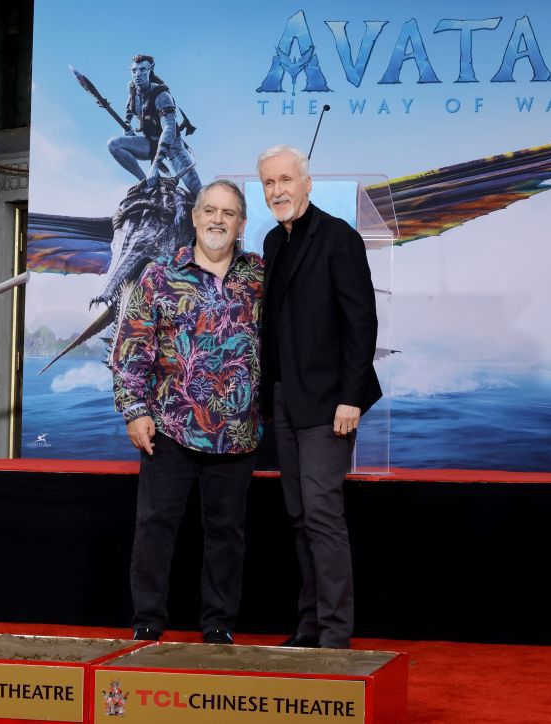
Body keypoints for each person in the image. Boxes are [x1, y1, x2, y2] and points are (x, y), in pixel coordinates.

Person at [110, 179, 262, 644]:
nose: (218, 219)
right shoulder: (158, 276)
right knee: (155, 527)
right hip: (170, 427)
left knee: (226, 535)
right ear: (194, 217)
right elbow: (131, 347)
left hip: (237, 434)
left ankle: (218, 625)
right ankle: (148, 621)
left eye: (228, 213)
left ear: (240, 224)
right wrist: (134, 410)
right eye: (210, 210)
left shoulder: (260, 276)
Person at [257, 145, 382, 649]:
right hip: (284, 400)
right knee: (298, 514)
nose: (277, 190)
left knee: (323, 512)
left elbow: (362, 321)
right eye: (268, 183)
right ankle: (309, 625)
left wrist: (351, 397)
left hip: (331, 403)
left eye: (286, 179)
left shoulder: (339, 238)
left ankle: (334, 634)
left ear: (307, 183)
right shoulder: (271, 241)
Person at [108, 54, 201, 196]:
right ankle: (146, 183)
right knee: (114, 145)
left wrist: (155, 165)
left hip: (173, 147)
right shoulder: (132, 91)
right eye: (134, 70)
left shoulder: (161, 94)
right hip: (150, 144)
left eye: (142, 70)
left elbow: (169, 129)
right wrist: (127, 127)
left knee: (200, 193)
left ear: (150, 69)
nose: (137, 74)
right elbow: (129, 111)